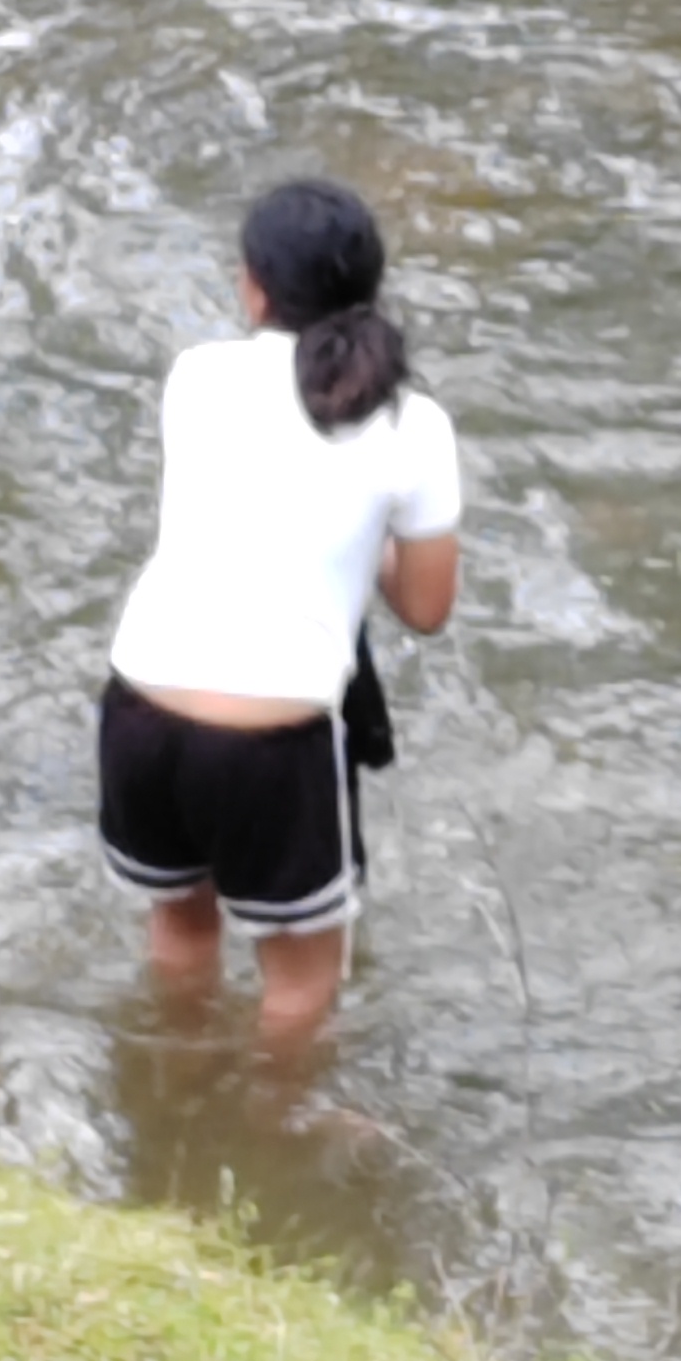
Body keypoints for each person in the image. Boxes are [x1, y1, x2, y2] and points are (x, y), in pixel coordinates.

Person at [99, 179, 460, 1050]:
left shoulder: (195, 377)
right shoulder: (415, 425)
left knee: (180, 932)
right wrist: (376, 542)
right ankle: (268, 1126)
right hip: (271, 737)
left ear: (254, 286)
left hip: (142, 704)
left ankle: (172, 1095)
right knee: (300, 987)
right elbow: (425, 608)